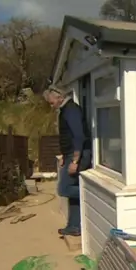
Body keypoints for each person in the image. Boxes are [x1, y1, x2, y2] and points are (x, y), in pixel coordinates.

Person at [43, 85, 91, 236]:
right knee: (71, 194)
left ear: (59, 97)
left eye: (52, 103)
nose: (52, 106)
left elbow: (78, 136)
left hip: (78, 155)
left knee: (64, 189)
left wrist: (75, 161)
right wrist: (64, 156)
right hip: (70, 154)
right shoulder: (66, 110)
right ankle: (74, 226)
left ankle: (89, 195)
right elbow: (67, 136)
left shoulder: (71, 110)